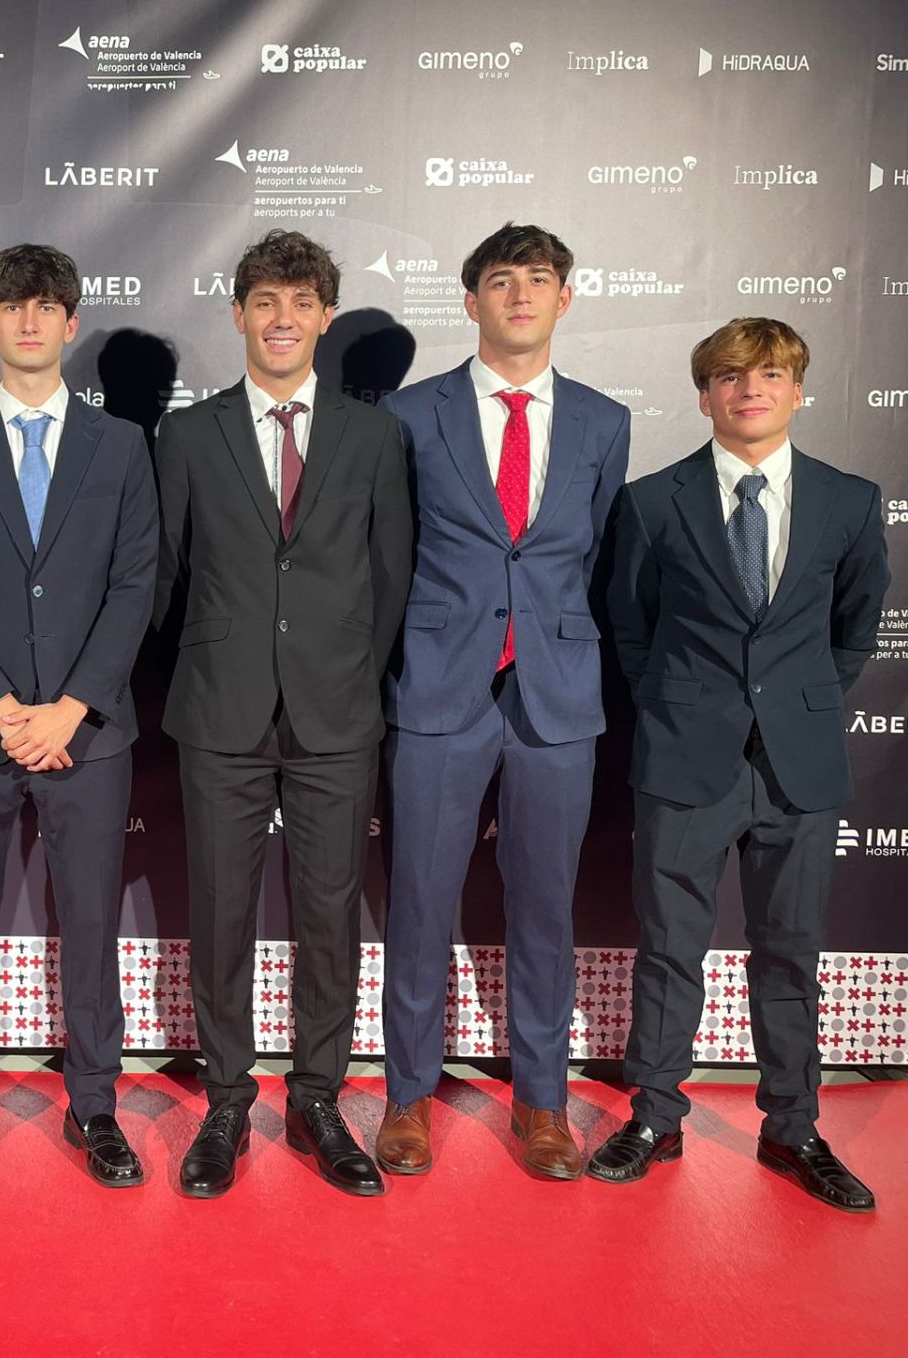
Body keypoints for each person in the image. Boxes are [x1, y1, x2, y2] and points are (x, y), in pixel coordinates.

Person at [593, 317, 890, 1211]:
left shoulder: (850, 499)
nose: (748, 389)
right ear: (703, 394)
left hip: (798, 765)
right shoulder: (653, 501)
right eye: (728, 376)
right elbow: (631, 626)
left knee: (790, 954)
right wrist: (683, 705)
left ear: (798, 389)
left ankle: (794, 1128)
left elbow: (856, 627)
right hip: (685, 757)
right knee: (669, 948)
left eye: (767, 375)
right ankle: (655, 1116)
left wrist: (796, 704)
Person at [153, 229, 412, 1198]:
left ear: (326, 318)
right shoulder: (186, 434)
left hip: (336, 716)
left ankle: (316, 1099)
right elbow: (167, 579)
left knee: (329, 916)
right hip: (218, 713)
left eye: (301, 302)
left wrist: (344, 675)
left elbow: (391, 580)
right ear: (238, 315)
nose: (282, 318)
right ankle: (225, 1101)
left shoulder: (374, 435)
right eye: (265, 301)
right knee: (218, 915)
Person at [376, 223, 629, 1179]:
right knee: (419, 903)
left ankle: (543, 1103)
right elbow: (390, 552)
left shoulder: (605, 421)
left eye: (538, 279)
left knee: (546, 911)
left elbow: (589, 555)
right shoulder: (409, 413)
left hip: (557, 697)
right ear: (470, 300)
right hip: (439, 687)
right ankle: (408, 1096)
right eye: (498, 279)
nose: (519, 294)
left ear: (566, 297)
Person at [0, 244, 159, 1189]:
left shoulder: (123, 445)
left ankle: (96, 1107)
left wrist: (72, 707)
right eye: (12, 306)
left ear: (71, 324)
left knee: (90, 928)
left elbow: (137, 585)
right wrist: (8, 708)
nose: (29, 321)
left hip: (88, 736)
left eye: (47, 306)